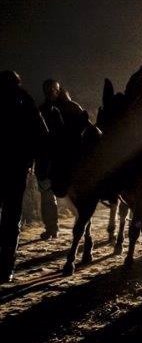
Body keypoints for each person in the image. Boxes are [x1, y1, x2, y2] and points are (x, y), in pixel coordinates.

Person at [0, 71, 48, 282]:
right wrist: (31, 161)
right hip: (16, 168)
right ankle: (6, 266)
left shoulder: (24, 101)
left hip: (14, 167)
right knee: (12, 217)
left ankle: (5, 266)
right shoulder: (26, 100)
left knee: (11, 217)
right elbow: (42, 134)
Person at [38, 79, 65, 239]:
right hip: (46, 160)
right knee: (47, 195)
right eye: (48, 90)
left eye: (53, 90)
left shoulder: (65, 109)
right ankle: (51, 227)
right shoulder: (40, 110)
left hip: (61, 159)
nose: (51, 93)